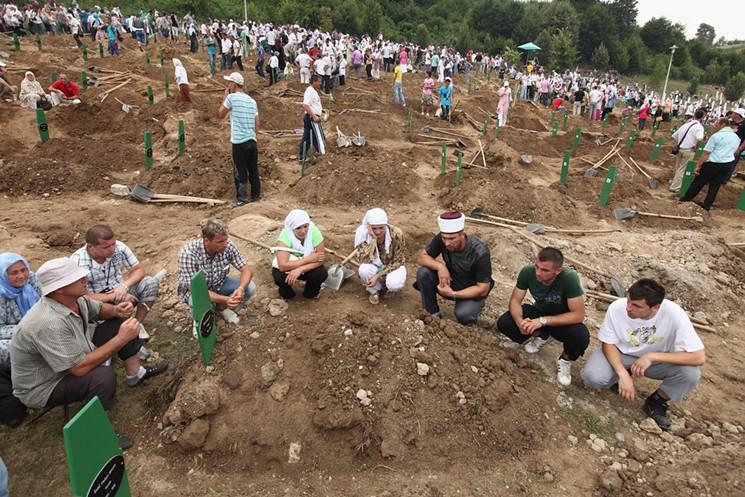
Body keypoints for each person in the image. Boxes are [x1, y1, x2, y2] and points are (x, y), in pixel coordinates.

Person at [11, 258, 168, 448]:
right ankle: (94, 431)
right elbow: (78, 368)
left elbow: (101, 310)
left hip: (69, 360)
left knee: (122, 324)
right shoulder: (47, 322)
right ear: (60, 288)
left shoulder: (75, 299)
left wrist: (118, 310)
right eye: (77, 278)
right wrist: (121, 339)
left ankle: (135, 375)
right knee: (101, 377)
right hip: (45, 384)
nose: (85, 278)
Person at [581, 279, 705, 431]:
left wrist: (652, 356)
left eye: (636, 306)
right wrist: (622, 373)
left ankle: (657, 401)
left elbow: (698, 357)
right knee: (592, 378)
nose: (628, 308)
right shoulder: (617, 308)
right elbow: (608, 343)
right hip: (621, 353)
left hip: (655, 361)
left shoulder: (674, 314)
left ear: (655, 308)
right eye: (628, 301)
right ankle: (624, 373)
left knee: (690, 374)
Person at [496, 247, 590, 386]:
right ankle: (542, 335)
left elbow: (578, 315)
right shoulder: (528, 272)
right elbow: (515, 301)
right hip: (540, 312)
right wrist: (520, 322)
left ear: (558, 271)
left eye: (545, 270)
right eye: (537, 267)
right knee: (505, 322)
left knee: (580, 335)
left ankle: (565, 359)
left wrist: (542, 321)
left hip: (562, 321)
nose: (538, 273)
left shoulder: (569, 278)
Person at [70, 225, 164, 340]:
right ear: (91, 247)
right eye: (106, 247)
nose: (112, 249)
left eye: (113, 244)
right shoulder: (78, 262)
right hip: (96, 303)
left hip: (120, 290)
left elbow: (139, 269)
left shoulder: (119, 247)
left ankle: (135, 324)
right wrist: (115, 296)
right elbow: (81, 298)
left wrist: (125, 286)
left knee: (150, 283)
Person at [415, 211, 493, 325]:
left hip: (472, 288)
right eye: (444, 238)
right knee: (424, 273)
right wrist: (441, 267)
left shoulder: (480, 252)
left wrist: (453, 294)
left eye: (452, 239)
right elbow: (421, 257)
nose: (447, 243)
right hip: (451, 280)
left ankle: (472, 310)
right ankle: (432, 314)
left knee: (464, 314)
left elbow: (483, 288)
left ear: (462, 234)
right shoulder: (443, 238)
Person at [177, 218, 257, 325]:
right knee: (198, 303)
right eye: (220, 241)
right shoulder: (188, 254)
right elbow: (195, 289)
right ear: (206, 241)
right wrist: (225, 299)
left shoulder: (228, 246)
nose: (225, 244)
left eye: (226, 240)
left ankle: (221, 309)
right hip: (197, 292)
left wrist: (241, 289)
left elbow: (246, 270)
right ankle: (200, 323)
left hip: (219, 284)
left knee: (250, 287)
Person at [0, 254, 40, 427]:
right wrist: (24, 330)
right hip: (11, 335)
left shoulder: (32, 279)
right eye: (14, 273)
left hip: (37, 327)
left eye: (23, 269)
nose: (21, 276)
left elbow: (47, 301)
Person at [219, 72, 260, 206]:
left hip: (239, 141)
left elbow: (220, 114)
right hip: (252, 140)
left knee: (240, 170)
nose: (228, 85)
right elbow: (257, 122)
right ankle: (256, 196)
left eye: (230, 83)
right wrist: (254, 134)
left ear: (235, 84)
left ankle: (242, 199)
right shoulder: (252, 101)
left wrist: (225, 97)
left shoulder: (231, 98)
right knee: (253, 169)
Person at [681, 117, 740, 211]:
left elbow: (706, 153)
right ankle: (707, 206)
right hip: (727, 164)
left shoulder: (716, 136)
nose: (714, 125)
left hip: (712, 163)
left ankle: (685, 200)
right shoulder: (736, 137)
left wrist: (698, 165)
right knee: (715, 186)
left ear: (723, 125)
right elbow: (734, 151)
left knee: (698, 183)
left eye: (717, 123)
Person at [354, 208, 407, 305]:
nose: (378, 232)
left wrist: (378, 276)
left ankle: (388, 287)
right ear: (369, 227)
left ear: (386, 225)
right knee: (363, 270)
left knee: (394, 284)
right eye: (374, 228)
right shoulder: (363, 234)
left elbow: (398, 261)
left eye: (381, 228)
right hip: (374, 265)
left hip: (392, 266)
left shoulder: (396, 234)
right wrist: (373, 240)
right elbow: (363, 259)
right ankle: (375, 290)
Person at [272, 210, 327, 300]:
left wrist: (300, 270)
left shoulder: (313, 231)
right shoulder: (285, 236)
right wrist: (308, 259)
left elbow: (320, 259)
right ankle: (287, 294)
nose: (303, 231)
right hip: (292, 266)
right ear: (292, 228)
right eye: (298, 228)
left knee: (320, 273)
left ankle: (311, 293)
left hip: (304, 266)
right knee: (279, 275)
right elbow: (282, 266)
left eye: (305, 226)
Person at [669, 109, 705, 193]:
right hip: (689, 150)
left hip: (680, 149)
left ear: (694, 115)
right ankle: (675, 187)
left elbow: (674, 136)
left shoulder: (685, 125)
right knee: (682, 169)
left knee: (678, 167)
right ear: (702, 118)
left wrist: (679, 143)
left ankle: (674, 183)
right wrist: (696, 147)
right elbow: (699, 139)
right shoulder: (699, 127)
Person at [298, 74, 326, 161]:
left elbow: (312, 104)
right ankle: (323, 154)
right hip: (312, 118)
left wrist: (320, 110)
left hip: (311, 117)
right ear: (314, 82)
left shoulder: (312, 91)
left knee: (308, 138)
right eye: (319, 82)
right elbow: (305, 105)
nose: (320, 83)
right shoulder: (310, 91)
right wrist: (314, 116)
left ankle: (303, 157)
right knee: (319, 137)